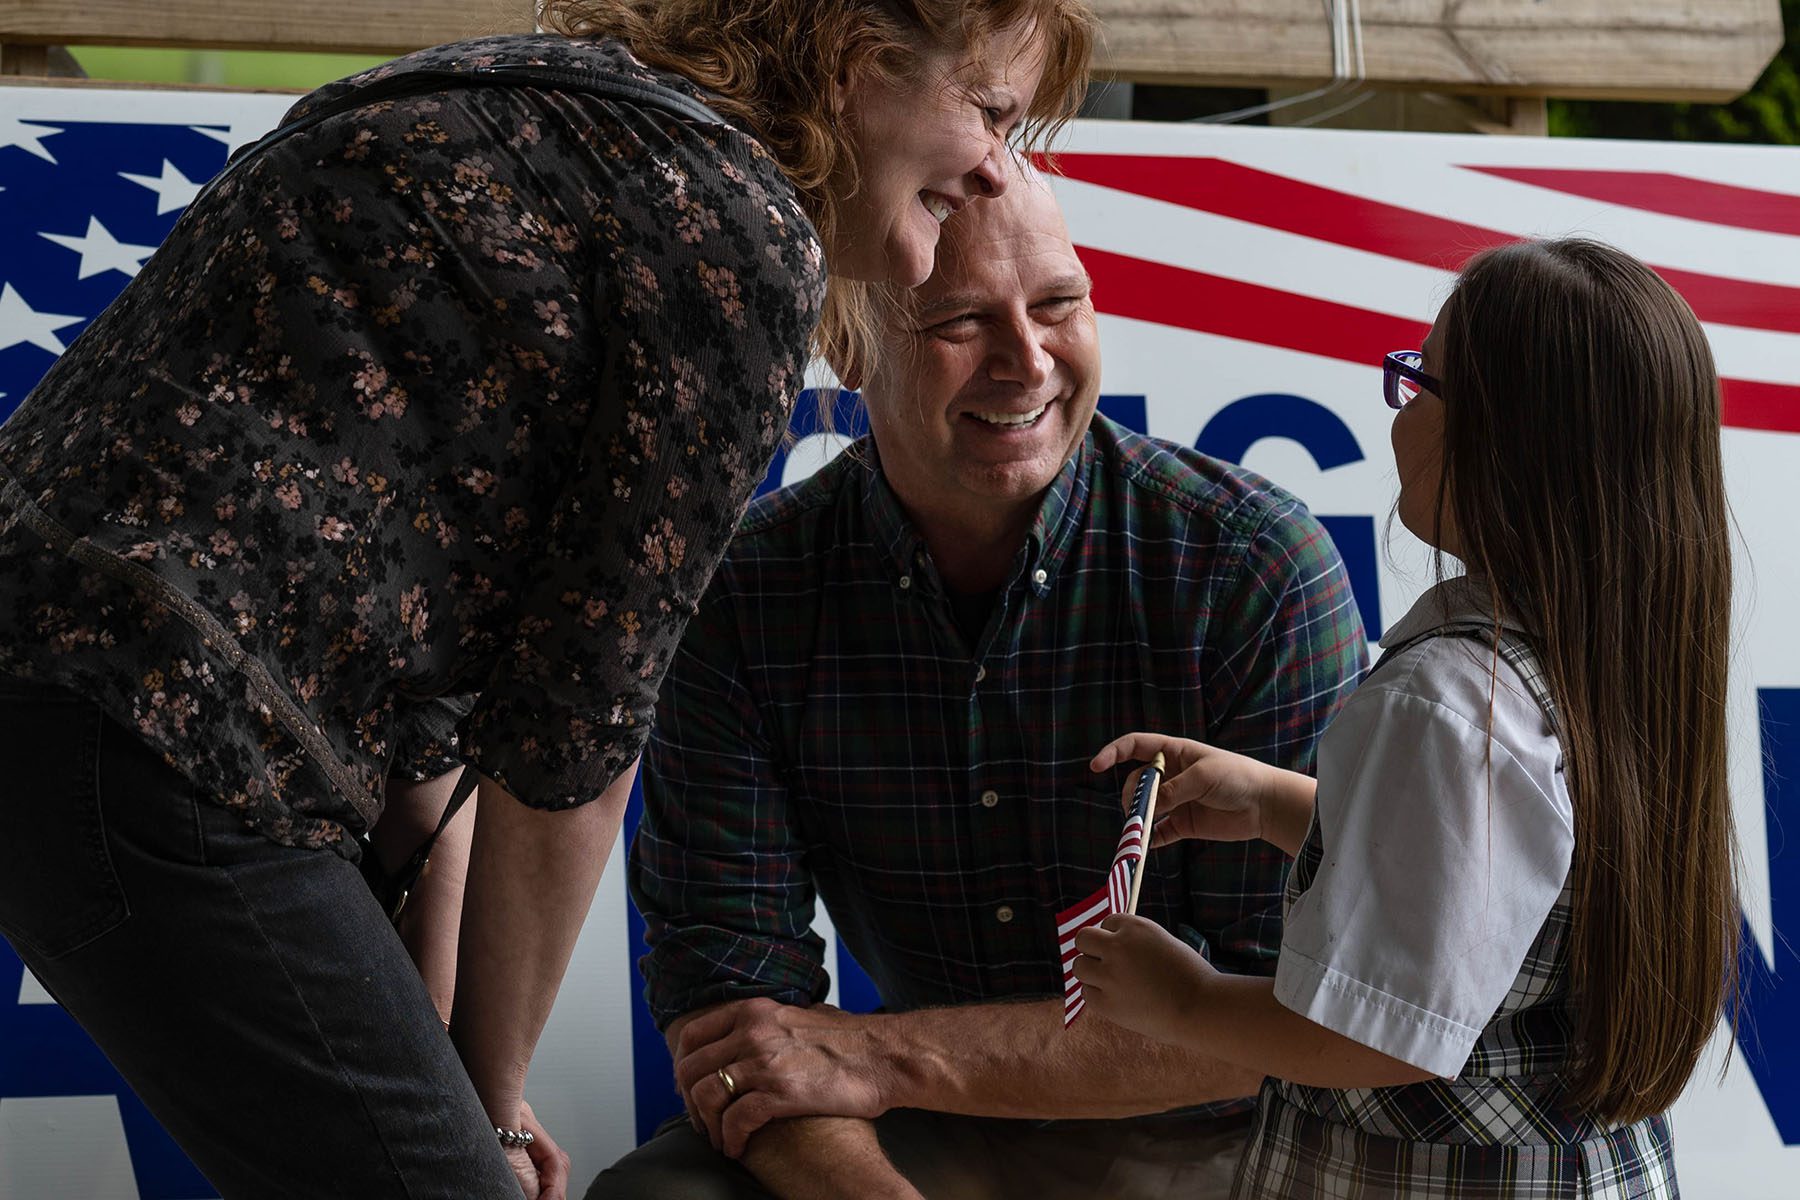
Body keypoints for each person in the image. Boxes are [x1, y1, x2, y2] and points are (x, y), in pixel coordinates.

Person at [0, 3, 1095, 1197]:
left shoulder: (531, 94)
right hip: (154, 714)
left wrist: (473, 1103)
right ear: (850, 65)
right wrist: (490, 1113)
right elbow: (574, 744)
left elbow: (426, 721)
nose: (998, 161)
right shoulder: (732, 223)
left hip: (83, 678)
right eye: (987, 109)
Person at [594, 168, 1368, 1200]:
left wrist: (879, 1056)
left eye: (1059, 303)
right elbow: (728, 1003)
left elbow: (1282, 1018)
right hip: (925, 1133)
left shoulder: (1254, 565)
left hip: (1214, 1137)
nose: (1027, 360)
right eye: (961, 319)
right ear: (851, 346)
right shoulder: (742, 592)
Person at [1071, 238, 1739, 1198]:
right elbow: (1499, 891)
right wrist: (1274, 803)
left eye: (1420, 382)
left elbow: (1374, 1032)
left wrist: (1183, 999)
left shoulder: (1450, 704)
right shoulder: (1614, 664)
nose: (1400, 412)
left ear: (1505, 440)